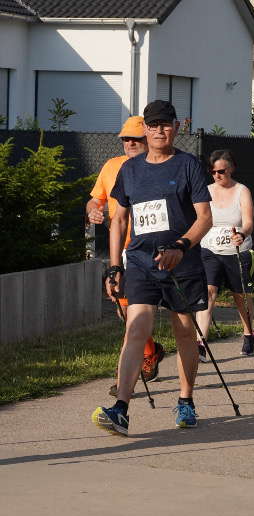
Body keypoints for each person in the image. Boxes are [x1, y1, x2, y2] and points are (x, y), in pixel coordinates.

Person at [92, 100, 212, 436]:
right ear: (145, 129)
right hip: (142, 262)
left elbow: (205, 217)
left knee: (185, 332)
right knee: (136, 328)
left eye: (166, 124)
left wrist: (181, 246)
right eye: (153, 124)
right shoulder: (130, 170)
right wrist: (115, 266)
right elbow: (119, 219)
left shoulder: (188, 165)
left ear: (177, 128)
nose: (159, 130)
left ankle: (186, 399)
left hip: (182, 264)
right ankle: (121, 409)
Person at [86, 116, 164, 395]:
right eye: (125, 139)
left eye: (135, 139)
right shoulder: (112, 166)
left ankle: (126, 378)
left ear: (147, 138)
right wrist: (93, 208)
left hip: (155, 248)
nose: (130, 143)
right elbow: (96, 198)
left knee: (137, 311)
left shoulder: (159, 166)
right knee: (123, 307)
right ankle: (149, 350)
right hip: (123, 248)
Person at [196, 150, 254, 359]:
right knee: (209, 291)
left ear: (231, 168)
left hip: (237, 250)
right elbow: (199, 218)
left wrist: (242, 232)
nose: (217, 176)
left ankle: (249, 333)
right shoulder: (205, 191)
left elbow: (248, 221)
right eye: (212, 172)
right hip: (210, 249)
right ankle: (200, 342)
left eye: (221, 171)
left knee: (240, 296)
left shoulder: (242, 191)